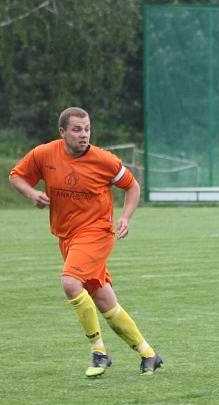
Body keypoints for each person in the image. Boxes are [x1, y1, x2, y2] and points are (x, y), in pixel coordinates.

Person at [9, 107, 163, 377]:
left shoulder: (104, 160)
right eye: (77, 129)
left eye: (87, 129)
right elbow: (16, 175)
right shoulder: (45, 154)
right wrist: (32, 193)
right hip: (67, 236)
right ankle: (148, 353)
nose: (84, 135)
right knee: (105, 301)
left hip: (97, 232)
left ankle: (99, 352)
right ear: (62, 132)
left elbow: (132, 187)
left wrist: (126, 217)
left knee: (70, 283)